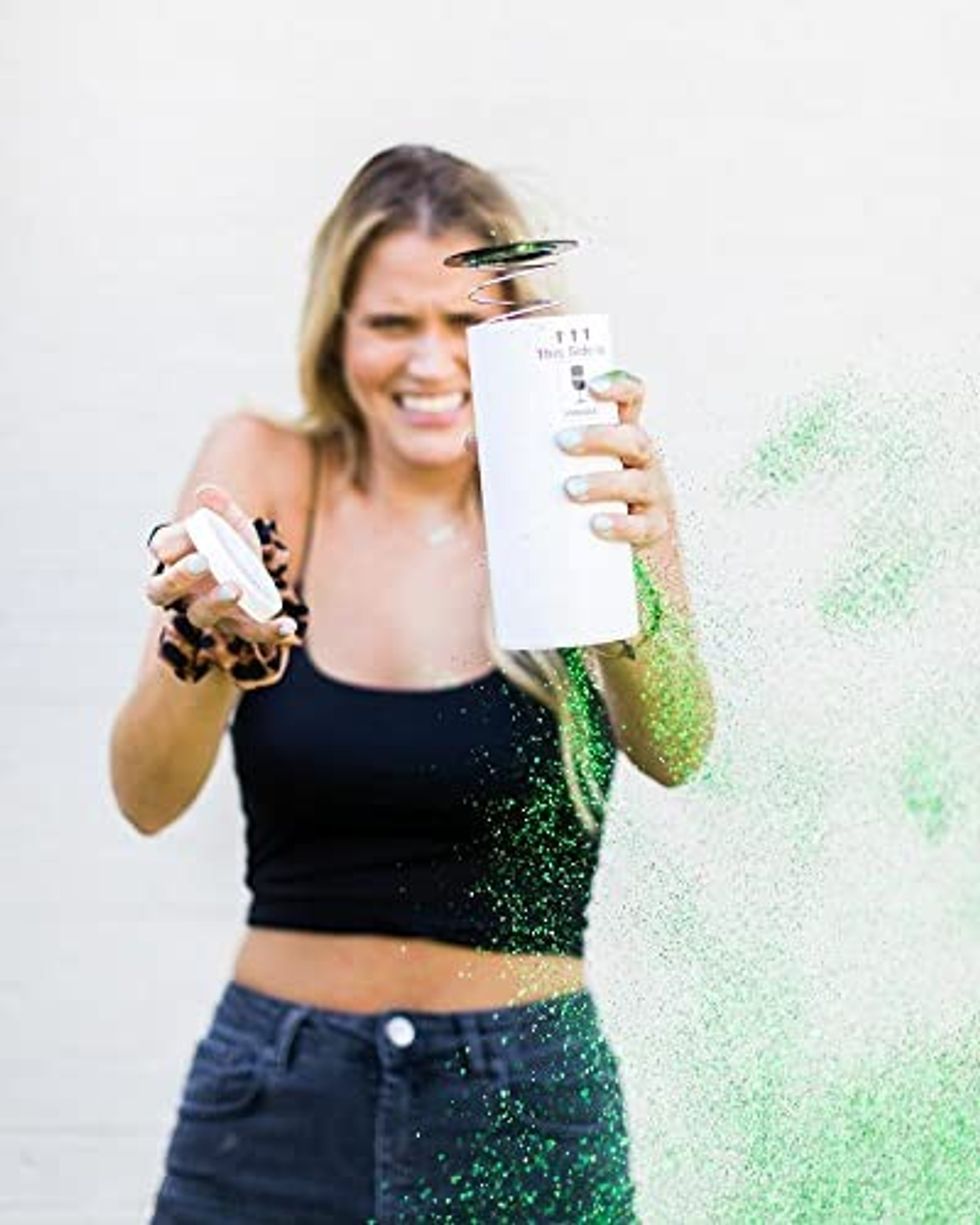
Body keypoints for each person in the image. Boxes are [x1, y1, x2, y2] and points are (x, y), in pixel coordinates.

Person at [109, 144, 715, 1224]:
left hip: (524, 1109)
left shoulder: (577, 485)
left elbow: (675, 747)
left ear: (518, 331)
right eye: (392, 322)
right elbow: (145, 795)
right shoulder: (266, 470)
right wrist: (200, 643)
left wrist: (638, 571)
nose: (432, 361)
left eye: (463, 321)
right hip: (275, 1101)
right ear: (337, 332)